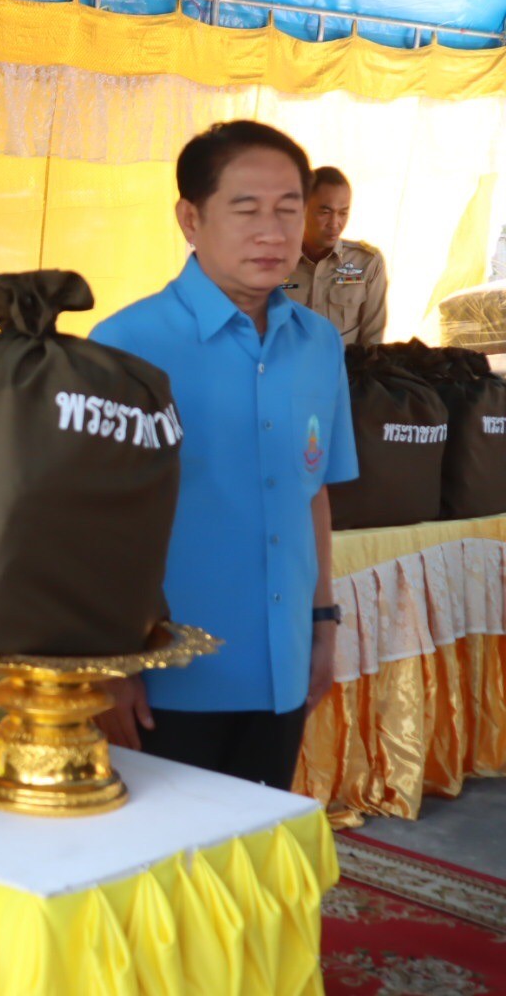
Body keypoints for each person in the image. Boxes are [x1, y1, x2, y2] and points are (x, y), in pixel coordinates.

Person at [90, 121, 358, 791]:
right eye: (246, 209)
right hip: (166, 679)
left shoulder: (319, 344)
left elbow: (313, 493)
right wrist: (108, 666)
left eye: (288, 209)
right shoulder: (124, 346)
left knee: (254, 848)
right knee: (164, 853)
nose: (272, 232)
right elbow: (87, 521)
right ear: (191, 218)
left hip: (282, 667)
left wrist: (323, 624)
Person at [283, 166, 388, 345]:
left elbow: (372, 343)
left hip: (345, 363)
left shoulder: (367, 263)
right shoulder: (272, 261)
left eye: (343, 213)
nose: (334, 223)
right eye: (325, 212)